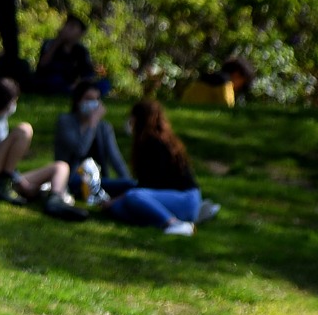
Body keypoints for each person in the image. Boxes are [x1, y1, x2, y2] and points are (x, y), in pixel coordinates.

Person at [0, 79, 84, 219]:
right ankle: (7, 183)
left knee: (61, 167)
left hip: (1, 175)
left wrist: (19, 180)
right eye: (14, 100)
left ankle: (55, 200)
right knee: (24, 130)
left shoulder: (0, 120)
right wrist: (19, 181)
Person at [100, 100, 207, 236]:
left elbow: (148, 185)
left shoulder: (155, 144)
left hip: (185, 199)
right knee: (119, 205)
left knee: (131, 196)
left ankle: (174, 223)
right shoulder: (155, 140)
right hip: (176, 196)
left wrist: (115, 199)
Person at [53, 81, 132, 202]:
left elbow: (115, 158)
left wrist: (127, 180)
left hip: (99, 180)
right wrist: (92, 123)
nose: (93, 103)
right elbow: (80, 149)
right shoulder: (65, 122)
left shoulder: (104, 127)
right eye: (88, 99)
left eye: (96, 99)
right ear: (78, 100)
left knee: (128, 185)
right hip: (73, 178)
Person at [32, 15, 96, 96]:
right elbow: (43, 64)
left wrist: (78, 83)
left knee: (103, 84)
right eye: (67, 25)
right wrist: (58, 41)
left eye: (72, 27)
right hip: (49, 80)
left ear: (80, 33)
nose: (67, 29)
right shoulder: (50, 44)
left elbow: (88, 74)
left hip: (71, 83)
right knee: (54, 80)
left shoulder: (81, 51)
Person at [181, 57, 255, 108]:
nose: (239, 88)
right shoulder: (225, 84)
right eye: (242, 83)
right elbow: (226, 108)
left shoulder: (201, 80)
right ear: (237, 74)